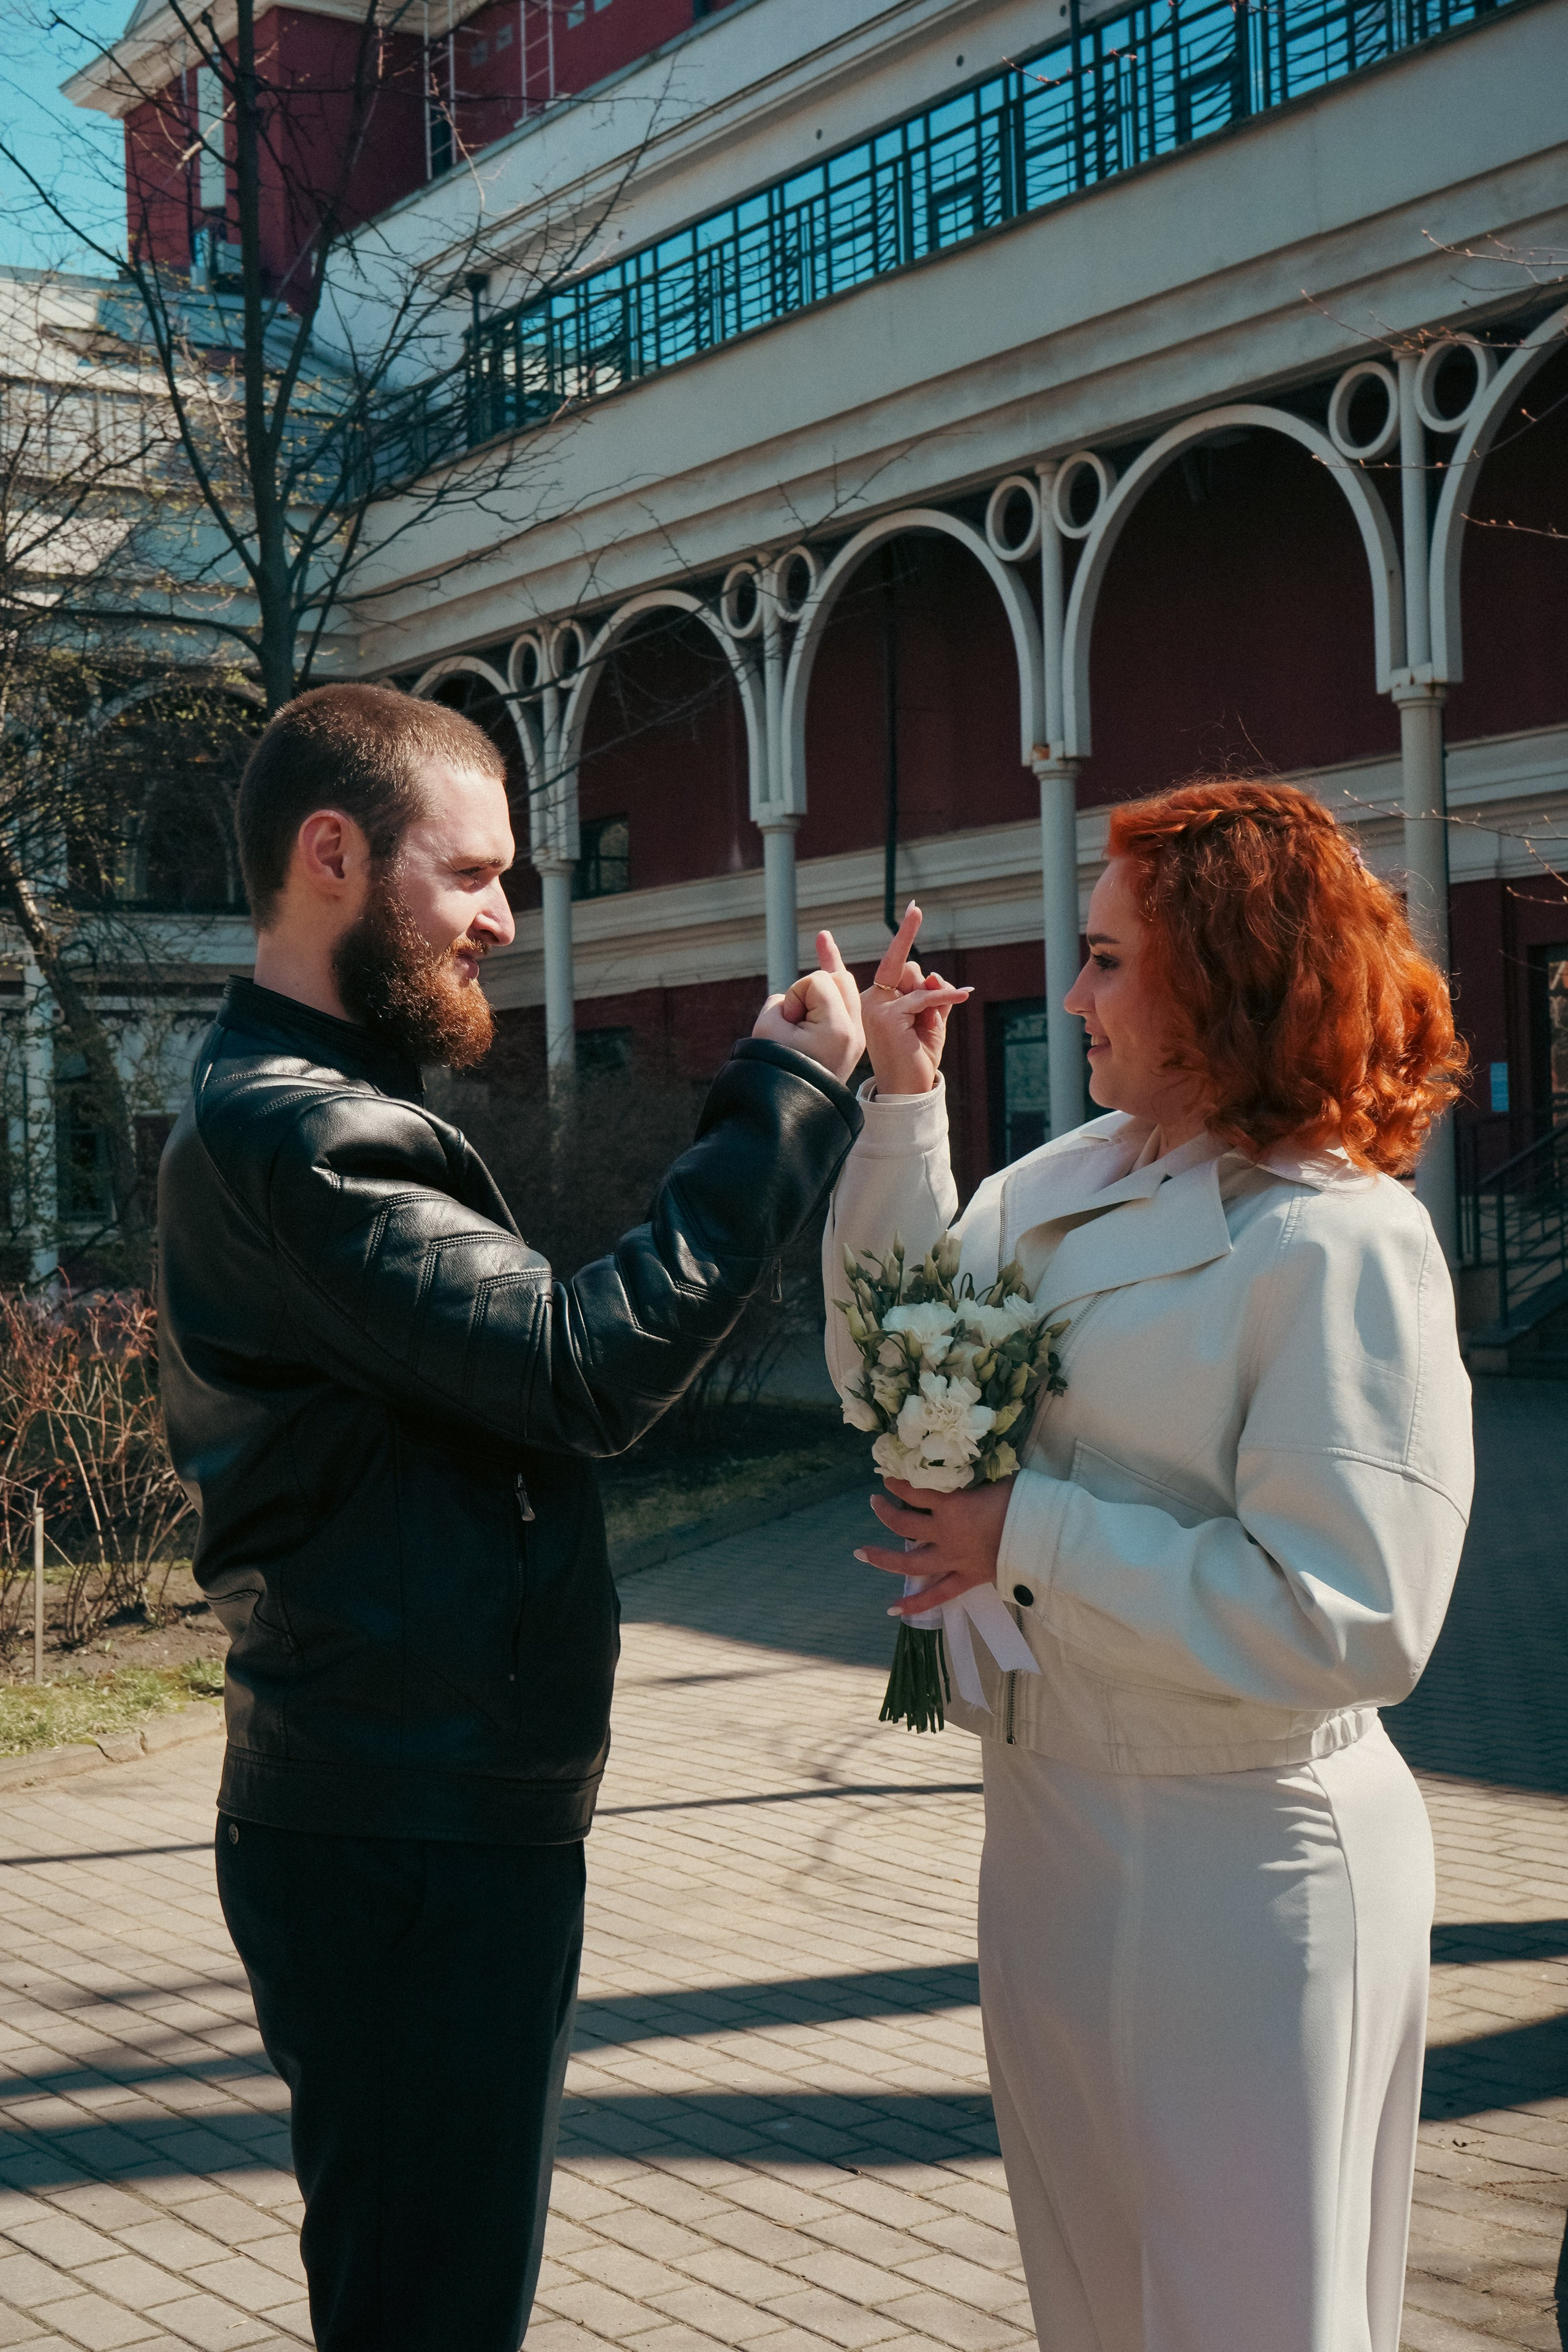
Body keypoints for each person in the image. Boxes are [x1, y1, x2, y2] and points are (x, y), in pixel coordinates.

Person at [157, 681, 865, 2352]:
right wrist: (782, 1100)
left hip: (422, 1813)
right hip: (408, 1838)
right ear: (335, 856)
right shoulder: (299, 1135)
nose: (502, 916)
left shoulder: (316, 1102)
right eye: (471, 873)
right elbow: (580, 1369)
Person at [823, 780, 1474, 2352]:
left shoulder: (1336, 1241)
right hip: (1049, 1833)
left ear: (1224, 979)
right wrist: (902, 1110)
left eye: (1109, 960)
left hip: (1245, 1864)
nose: (1070, 993)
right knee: (1096, 2310)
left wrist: (1021, 1537)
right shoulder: (1056, 1186)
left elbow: (1352, 1617)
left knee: (1257, 2317)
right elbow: (885, 1374)